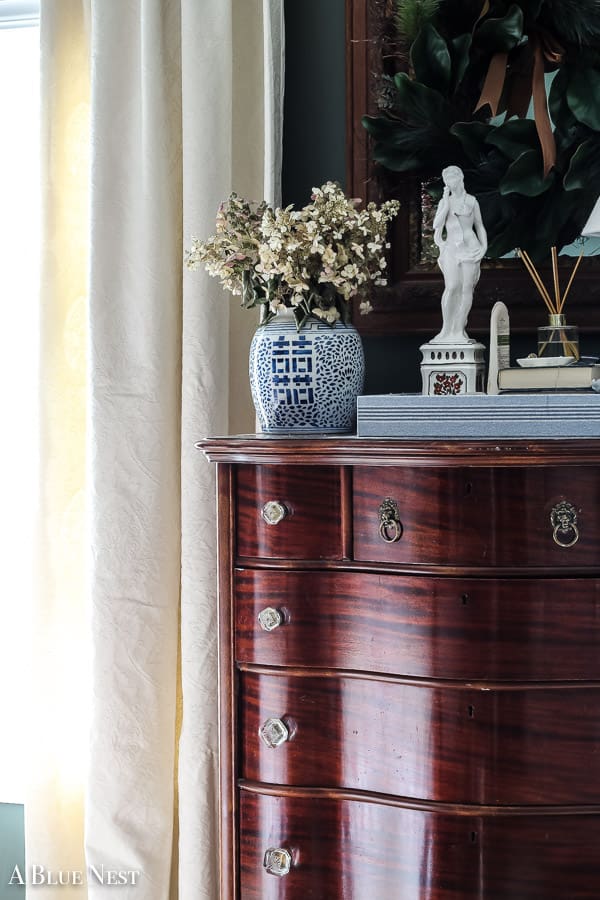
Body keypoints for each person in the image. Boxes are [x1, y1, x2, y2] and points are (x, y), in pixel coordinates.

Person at [430, 165, 487, 344]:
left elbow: (479, 226)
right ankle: (446, 329)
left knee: (466, 288)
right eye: (447, 179)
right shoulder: (445, 202)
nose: (451, 182)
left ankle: (458, 329)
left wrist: (484, 247)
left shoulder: (472, 201)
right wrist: (446, 204)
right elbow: (436, 225)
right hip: (452, 249)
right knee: (452, 286)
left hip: (471, 248)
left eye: (453, 177)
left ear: (460, 178)